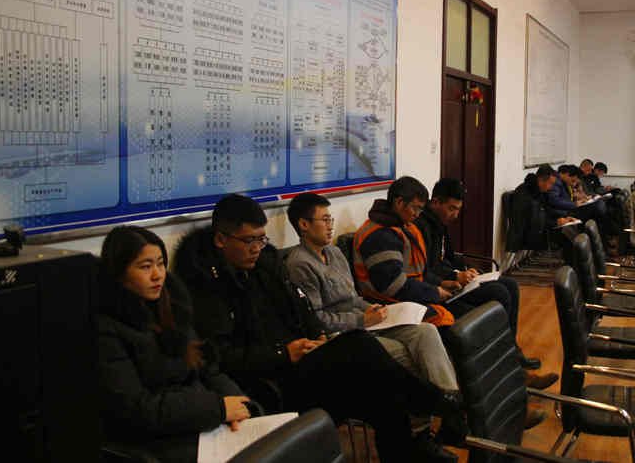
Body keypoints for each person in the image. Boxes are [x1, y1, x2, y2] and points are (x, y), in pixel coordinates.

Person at [174, 194, 466, 462]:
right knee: (360, 346)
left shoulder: (266, 264)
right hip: (270, 384)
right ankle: (432, 401)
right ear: (221, 239)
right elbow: (221, 357)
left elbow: (302, 310)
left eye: (261, 239)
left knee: (382, 390)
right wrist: (283, 353)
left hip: (303, 359)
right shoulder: (204, 287)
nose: (256, 248)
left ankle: (408, 448)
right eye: (249, 240)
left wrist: (317, 338)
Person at [284, 192, 463, 455]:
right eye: (325, 219)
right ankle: (420, 432)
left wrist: (371, 309)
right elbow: (317, 319)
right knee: (406, 354)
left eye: (331, 219)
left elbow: (353, 298)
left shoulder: (334, 253)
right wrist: (362, 318)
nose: (331, 225)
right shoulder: (299, 264)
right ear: (303, 225)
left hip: (366, 322)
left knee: (425, 331)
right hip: (342, 338)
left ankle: (450, 407)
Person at [98, 226, 257, 463]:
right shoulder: (106, 328)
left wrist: (239, 404)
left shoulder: (173, 306)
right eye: (145, 267)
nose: (157, 275)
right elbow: (137, 409)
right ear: (119, 272)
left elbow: (208, 370)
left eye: (161, 264)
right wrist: (218, 409)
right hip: (157, 439)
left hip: (201, 421)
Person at [415, 178, 550, 378]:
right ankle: (504, 363)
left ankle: (511, 351)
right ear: (435, 202)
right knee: (499, 292)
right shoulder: (421, 227)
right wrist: (455, 275)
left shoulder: (440, 224)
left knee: (510, 284)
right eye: (451, 209)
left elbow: (450, 257)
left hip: (452, 280)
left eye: (458, 209)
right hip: (442, 287)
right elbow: (428, 268)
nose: (455, 215)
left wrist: (467, 269)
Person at [509, 164, 580, 261]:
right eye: (550, 183)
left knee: (571, 233)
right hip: (528, 234)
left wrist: (563, 218)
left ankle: (573, 267)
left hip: (539, 229)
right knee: (569, 239)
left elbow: (545, 211)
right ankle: (572, 268)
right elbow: (532, 221)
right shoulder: (525, 193)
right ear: (541, 180)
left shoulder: (537, 191)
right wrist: (555, 222)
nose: (550, 187)